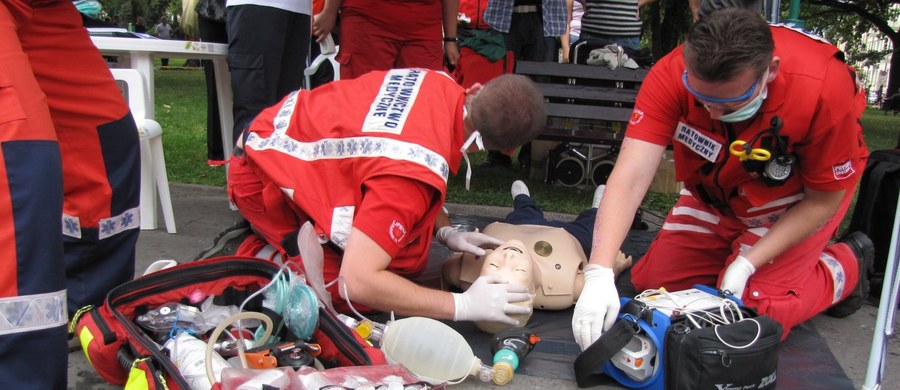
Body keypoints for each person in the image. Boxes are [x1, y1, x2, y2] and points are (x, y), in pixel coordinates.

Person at [572, 8, 872, 351]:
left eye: (728, 105)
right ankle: (734, 251)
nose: (712, 113)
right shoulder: (671, 72)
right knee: (654, 286)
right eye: (702, 101)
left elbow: (824, 200)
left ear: (770, 72)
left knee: (753, 312)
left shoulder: (822, 88)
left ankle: (845, 266)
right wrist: (599, 271)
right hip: (715, 192)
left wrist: (748, 264)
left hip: (792, 200)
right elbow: (630, 176)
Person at [228, 71, 547, 325]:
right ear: (507, 150)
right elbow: (356, 283)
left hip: (280, 130)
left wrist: (444, 230)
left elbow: (394, 153)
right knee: (388, 273)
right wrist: (460, 305)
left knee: (409, 244)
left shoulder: (437, 80)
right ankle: (266, 256)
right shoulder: (409, 181)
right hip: (260, 175)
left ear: (477, 88)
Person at [0, 0, 141, 387]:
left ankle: (89, 318)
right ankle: (18, 372)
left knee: (106, 140)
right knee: (21, 164)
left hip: (41, 7)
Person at [442, 181, 633, 315]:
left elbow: (449, 267)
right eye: (518, 270)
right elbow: (597, 283)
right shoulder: (564, 290)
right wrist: (614, 267)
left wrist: (459, 249)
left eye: (494, 267)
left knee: (525, 211)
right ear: (532, 290)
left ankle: (523, 198)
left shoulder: (468, 276)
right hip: (569, 237)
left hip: (518, 228)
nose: (508, 257)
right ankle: (597, 207)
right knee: (591, 224)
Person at [482, 0, 567, 168]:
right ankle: (498, 153)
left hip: (545, 18)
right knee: (502, 86)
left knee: (539, 89)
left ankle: (531, 154)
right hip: (505, 16)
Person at [226, 0, 311, 148]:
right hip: (257, 7)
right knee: (254, 118)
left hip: (300, 11)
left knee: (286, 117)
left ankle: (276, 170)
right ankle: (247, 170)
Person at [312, 0, 460, 81]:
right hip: (367, 21)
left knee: (421, 103)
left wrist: (450, 38)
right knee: (362, 102)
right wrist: (329, 11)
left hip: (424, 27)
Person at [578, 0, 656, 52]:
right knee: (586, 74)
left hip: (627, 36)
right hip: (592, 33)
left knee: (627, 75)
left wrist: (638, 3)